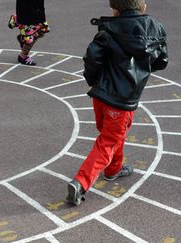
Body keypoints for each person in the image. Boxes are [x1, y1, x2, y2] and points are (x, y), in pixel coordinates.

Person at [66, 0, 168, 206]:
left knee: (110, 136)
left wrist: (94, 79)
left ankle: (113, 169)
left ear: (114, 10)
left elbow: (92, 56)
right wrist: (142, 66)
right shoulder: (156, 29)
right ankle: (81, 182)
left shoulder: (108, 29)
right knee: (109, 141)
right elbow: (161, 61)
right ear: (143, 7)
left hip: (101, 96)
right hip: (123, 100)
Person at [8, 0, 50, 66]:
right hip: (27, 16)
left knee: (43, 30)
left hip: (38, 11)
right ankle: (23, 57)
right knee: (29, 39)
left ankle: (21, 36)